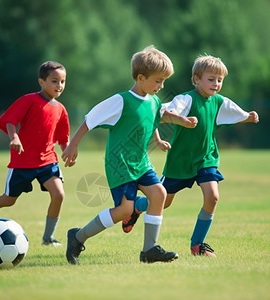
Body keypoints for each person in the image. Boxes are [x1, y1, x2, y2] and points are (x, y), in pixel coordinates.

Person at [61, 45, 198, 264]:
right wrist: (72, 145)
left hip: (141, 162)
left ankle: (149, 250)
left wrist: (177, 125)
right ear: (141, 78)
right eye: (158, 81)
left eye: (164, 81)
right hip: (121, 164)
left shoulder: (153, 100)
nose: (161, 86)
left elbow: (157, 116)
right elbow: (90, 119)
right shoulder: (121, 101)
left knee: (159, 194)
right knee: (125, 211)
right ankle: (78, 237)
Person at [122, 54, 259, 257]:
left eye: (220, 80)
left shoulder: (218, 101)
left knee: (212, 197)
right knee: (164, 201)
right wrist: (180, 120)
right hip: (180, 162)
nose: (216, 84)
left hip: (206, 159)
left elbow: (233, 111)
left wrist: (247, 116)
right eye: (211, 79)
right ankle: (136, 208)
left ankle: (198, 246)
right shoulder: (186, 99)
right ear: (196, 79)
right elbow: (162, 114)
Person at [0, 61, 71, 247]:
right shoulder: (29, 100)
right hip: (23, 162)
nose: (59, 85)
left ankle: (48, 239)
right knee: (9, 200)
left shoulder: (61, 109)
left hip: (47, 161)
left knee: (59, 195)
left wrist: (68, 151)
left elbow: (63, 138)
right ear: (41, 81)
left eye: (62, 81)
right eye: (54, 81)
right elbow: (10, 120)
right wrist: (14, 138)